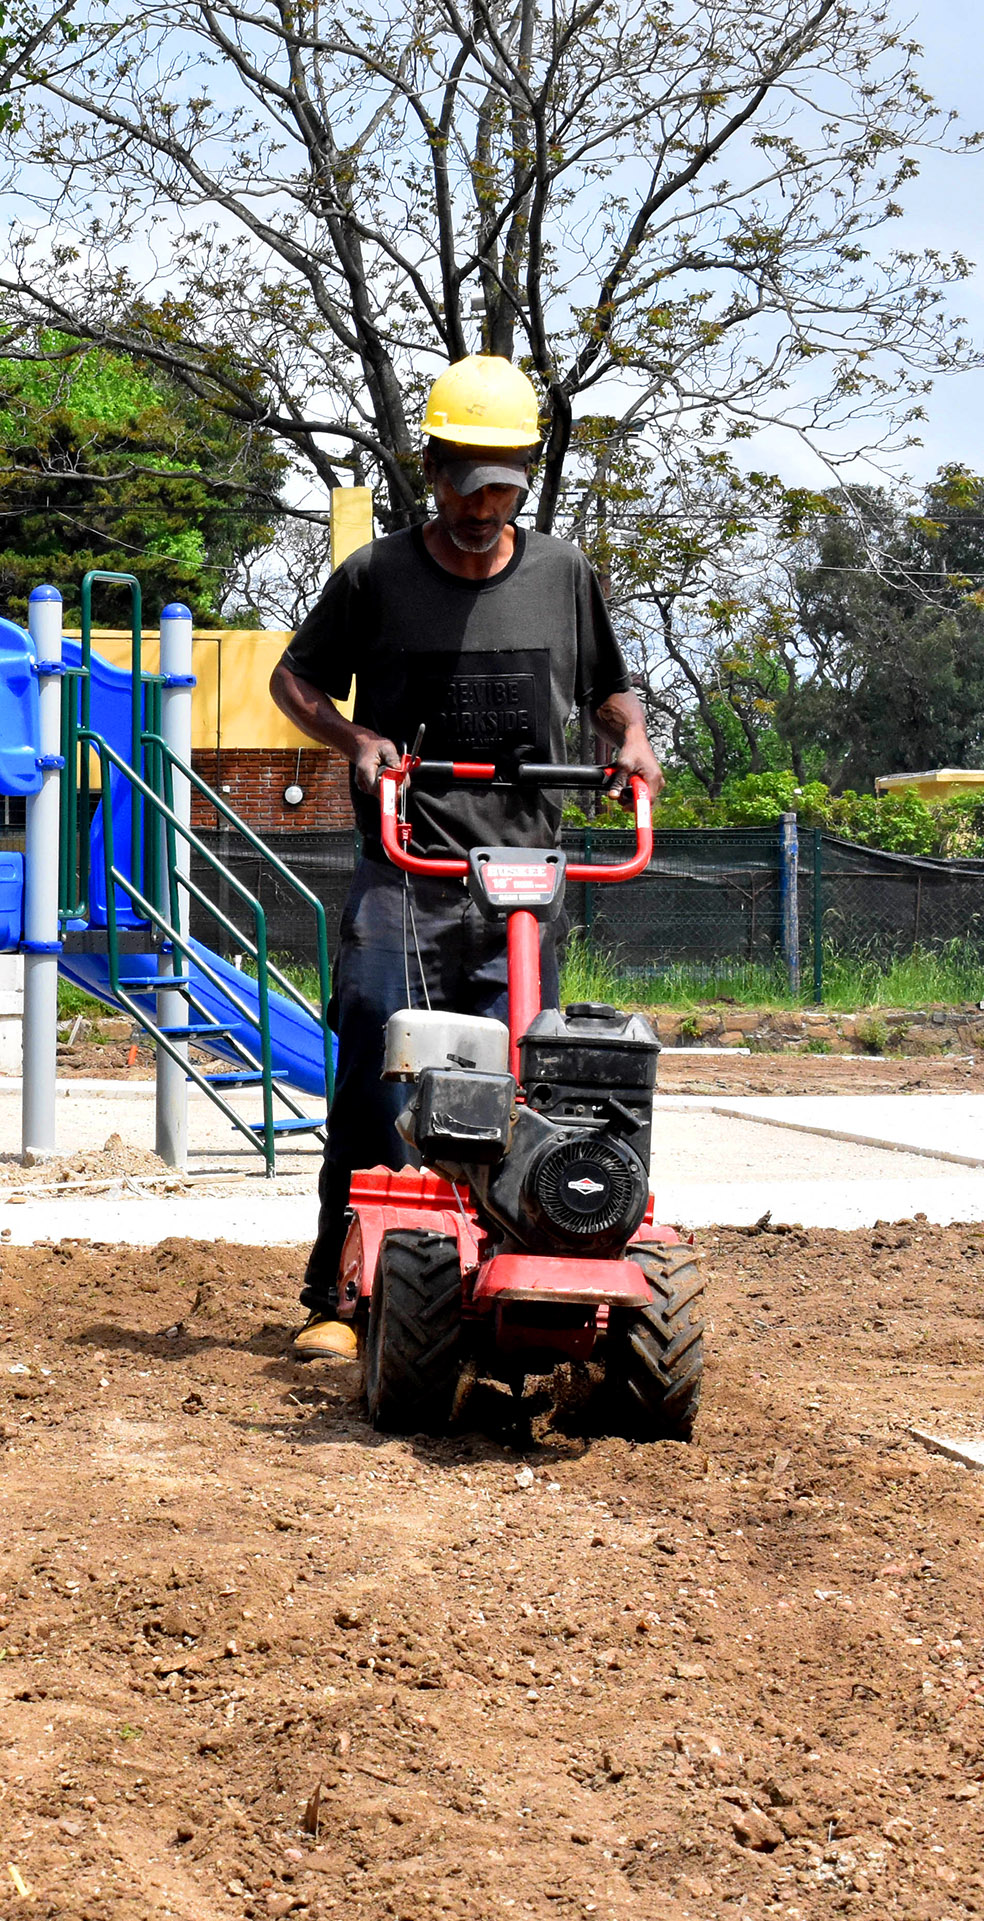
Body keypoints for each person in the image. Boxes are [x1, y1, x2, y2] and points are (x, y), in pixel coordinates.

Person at [268, 356, 662, 1365]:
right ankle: (337, 1295)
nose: (486, 502)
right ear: (433, 471)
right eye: (468, 479)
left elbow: (615, 690)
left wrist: (632, 736)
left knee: (537, 1080)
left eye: (505, 483)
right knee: (374, 1073)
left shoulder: (563, 574)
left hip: (526, 876)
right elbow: (294, 679)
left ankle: (503, 1273)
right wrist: (357, 741)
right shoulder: (376, 577)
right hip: (408, 871)